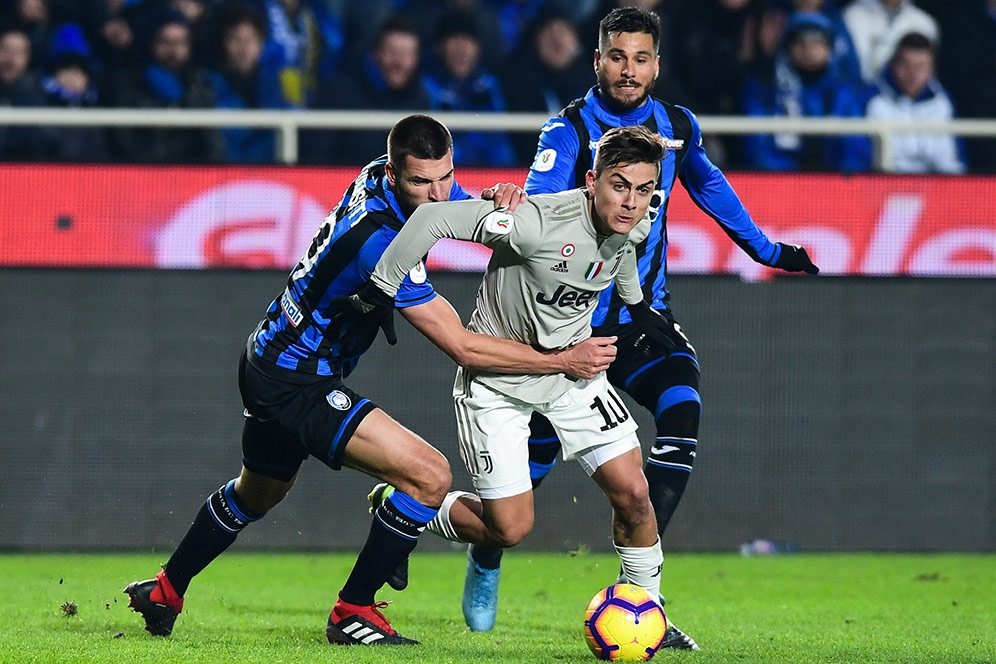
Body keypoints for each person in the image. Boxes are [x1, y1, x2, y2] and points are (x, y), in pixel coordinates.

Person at [123, 114, 613, 645]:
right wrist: (564, 359)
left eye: (445, 177)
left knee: (255, 496)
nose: (436, 194)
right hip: (297, 377)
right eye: (420, 182)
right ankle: (352, 611)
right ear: (394, 174)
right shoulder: (381, 243)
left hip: (269, 358)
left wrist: (495, 200)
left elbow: (451, 211)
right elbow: (462, 346)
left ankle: (166, 590)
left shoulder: (376, 178)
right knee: (429, 476)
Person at [464, 6, 820, 649]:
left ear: (658, 64)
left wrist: (766, 250)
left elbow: (708, 185)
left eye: (641, 58)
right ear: (597, 59)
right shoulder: (569, 129)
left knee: (683, 405)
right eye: (617, 56)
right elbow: (540, 206)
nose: (629, 70)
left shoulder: (677, 126)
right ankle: (487, 552)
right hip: (563, 331)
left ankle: (642, 599)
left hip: (640, 315)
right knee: (518, 497)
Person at [354, 124, 680, 635]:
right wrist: (382, 285)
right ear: (592, 181)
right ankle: (404, 506)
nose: (631, 202)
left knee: (635, 493)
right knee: (508, 530)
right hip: (498, 381)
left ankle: (650, 616)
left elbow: (623, 253)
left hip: (573, 375)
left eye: (643, 190)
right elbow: (435, 217)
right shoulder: (534, 224)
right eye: (619, 185)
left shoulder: (635, 220)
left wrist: (639, 308)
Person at [742, 11, 871, 172]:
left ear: (829, 49)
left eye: (817, 44)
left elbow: (856, 146)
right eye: (800, 43)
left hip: (837, 183)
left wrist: (842, 175)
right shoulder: (766, 87)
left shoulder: (844, 92)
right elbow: (758, 145)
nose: (808, 50)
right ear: (788, 48)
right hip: (780, 181)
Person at [866, 32, 964, 174]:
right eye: (905, 65)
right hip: (886, 185)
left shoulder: (943, 103)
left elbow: (956, 158)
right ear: (893, 65)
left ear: (932, 69)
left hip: (938, 186)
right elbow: (859, 156)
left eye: (920, 67)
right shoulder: (872, 100)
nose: (912, 74)